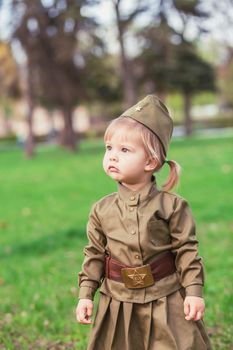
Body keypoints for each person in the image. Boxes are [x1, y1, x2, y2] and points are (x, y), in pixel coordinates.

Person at [76, 95, 212, 350]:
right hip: (117, 302)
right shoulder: (101, 210)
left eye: (124, 150)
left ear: (150, 161)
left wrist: (193, 291)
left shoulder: (173, 206)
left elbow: (186, 251)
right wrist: (86, 295)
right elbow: (94, 254)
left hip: (166, 298)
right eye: (109, 148)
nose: (113, 156)